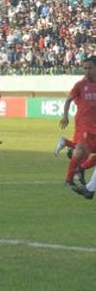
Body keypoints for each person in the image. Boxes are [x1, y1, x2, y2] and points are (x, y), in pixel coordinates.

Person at [60, 56, 96, 195]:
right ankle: (69, 179)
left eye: (90, 68)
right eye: (85, 68)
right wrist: (65, 115)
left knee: (85, 152)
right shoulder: (80, 85)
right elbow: (68, 100)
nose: (87, 71)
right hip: (84, 124)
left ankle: (82, 168)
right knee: (81, 149)